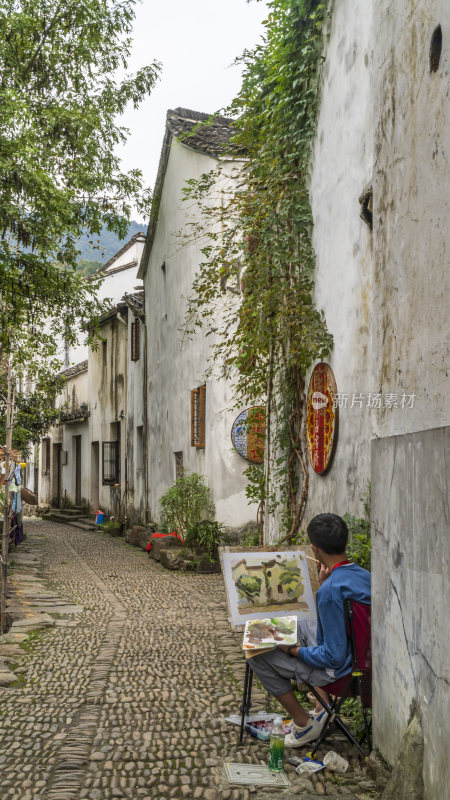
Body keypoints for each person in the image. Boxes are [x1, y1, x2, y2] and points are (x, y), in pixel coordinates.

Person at [248, 513, 371, 747]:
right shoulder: (364, 576)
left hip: (340, 672)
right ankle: (320, 708)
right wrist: (324, 585)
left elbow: (332, 656)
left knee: (255, 648)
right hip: (363, 660)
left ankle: (304, 723)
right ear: (346, 542)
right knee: (292, 622)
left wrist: (292, 650)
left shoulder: (330, 591)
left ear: (315, 549)